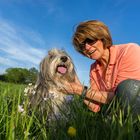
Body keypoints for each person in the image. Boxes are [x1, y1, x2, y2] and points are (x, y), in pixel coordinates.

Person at [62, 20, 140, 114]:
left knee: (127, 87)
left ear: (102, 37)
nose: (87, 48)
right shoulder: (94, 69)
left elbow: (124, 95)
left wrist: (79, 89)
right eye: (82, 46)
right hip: (118, 113)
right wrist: (76, 82)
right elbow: (95, 106)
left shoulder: (129, 51)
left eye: (90, 40)